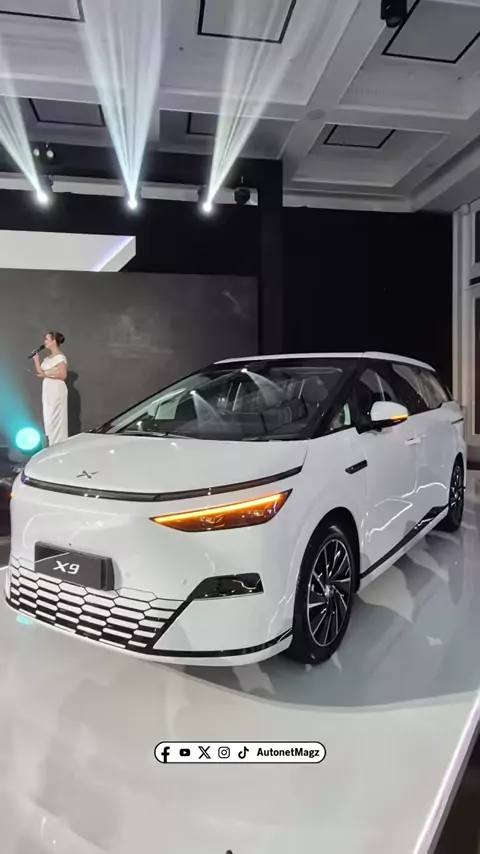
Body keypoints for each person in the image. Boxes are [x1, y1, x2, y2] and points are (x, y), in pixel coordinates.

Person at [33, 332, 68, 446]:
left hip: (56, 389)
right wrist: (36, 360)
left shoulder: (60, 357)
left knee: (56, 418)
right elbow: (41, 372)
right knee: (48, 418)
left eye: (47, 339)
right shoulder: (47, 359)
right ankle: (52, 443)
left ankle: (59, 445)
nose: (45, 342)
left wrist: (46, 375)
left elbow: (62, 375)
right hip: (48, 389)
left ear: (54, 341)